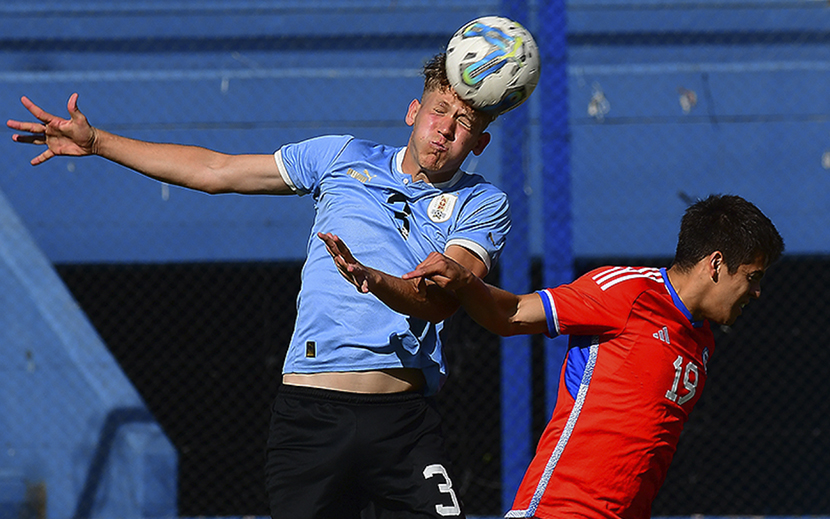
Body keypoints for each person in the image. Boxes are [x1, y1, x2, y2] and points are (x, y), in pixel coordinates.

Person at [7, 51, 516, 518]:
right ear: (413, 111)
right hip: (310, 417)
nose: (445, 129)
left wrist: (374, 281)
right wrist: (98, 142)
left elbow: (442, 303)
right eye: (439, 110)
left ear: (481, 142)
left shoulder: (482, 204)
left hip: (404, 423)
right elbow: (216, 170)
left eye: (465, 122)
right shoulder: (340, 156)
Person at [318, 194, 785, 519]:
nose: (759, 292)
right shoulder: (627, 292)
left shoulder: (701, 339)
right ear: (716, 263)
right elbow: (515, 313)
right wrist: (464, 282)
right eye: (754, 277)